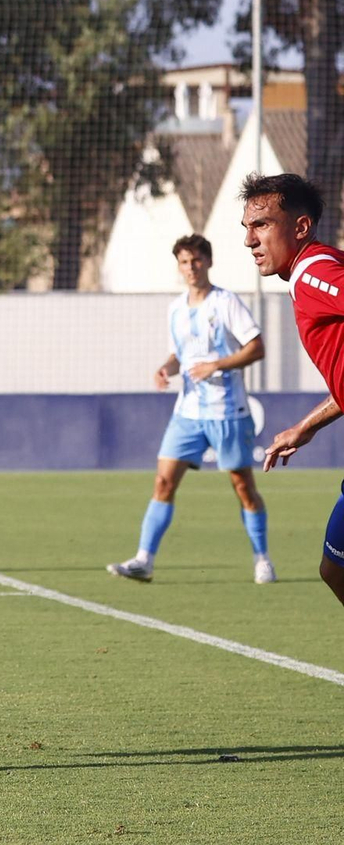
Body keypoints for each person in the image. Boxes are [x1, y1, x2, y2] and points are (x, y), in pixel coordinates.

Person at [106, 233, 274, 584]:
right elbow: (178, 353)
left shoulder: (225, 302)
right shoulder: (176, 308)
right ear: (179, 267)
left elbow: (256, 348)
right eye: (184, 262)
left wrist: (217, 365)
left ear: (208, 262)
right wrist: (166, 368)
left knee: (242, 486)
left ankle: (262, 558)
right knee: (163, 481)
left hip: (227, 411)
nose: (191, 267)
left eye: (196, 260)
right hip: (188, 413)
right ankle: (144, 560)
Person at [248, 173, 344, 606]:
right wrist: (306, 427)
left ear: (300, 227)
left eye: (263, 224)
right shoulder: (316, 270)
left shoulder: (313, 273)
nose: (250, 240)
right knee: (335, 569)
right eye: (247, 227)